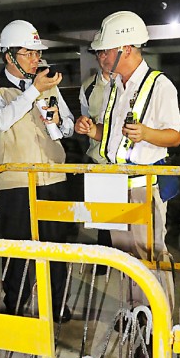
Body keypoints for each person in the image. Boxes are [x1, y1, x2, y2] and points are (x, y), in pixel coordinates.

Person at [74, 11, 180, 315]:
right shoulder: (116, 88)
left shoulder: (160, 86)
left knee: (152, 257)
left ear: (128, 49)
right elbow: (110, 137)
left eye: (106, 51)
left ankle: (160, 325)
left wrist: (147, 133)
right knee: (126, 259)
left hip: (142, 186)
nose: (101, 57)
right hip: (113, 183)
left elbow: (174, 136)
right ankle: (138, 314)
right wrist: (91, 130)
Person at [0, 19, 75, 322]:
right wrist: (33, 91)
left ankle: (57, 304)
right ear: (9, 57)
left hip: (53, 177)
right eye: (29, 54)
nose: (37, 60)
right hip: (15, 183)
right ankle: (16, 308)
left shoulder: (48, 86)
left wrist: (58, 121)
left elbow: (69, 127)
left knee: (58, 249)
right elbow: (2, 120)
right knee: (19, 250)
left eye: (38, 53)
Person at [79, 32, 113, 271]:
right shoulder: (88, 87)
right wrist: (83, 126)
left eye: (107, 51)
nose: (104, 57)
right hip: (99, 161)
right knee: (102, 217)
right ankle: (103, 262)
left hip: (127, 164)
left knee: (127, 219)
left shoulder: (133, 84)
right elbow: (84, 117)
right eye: (99, 52)